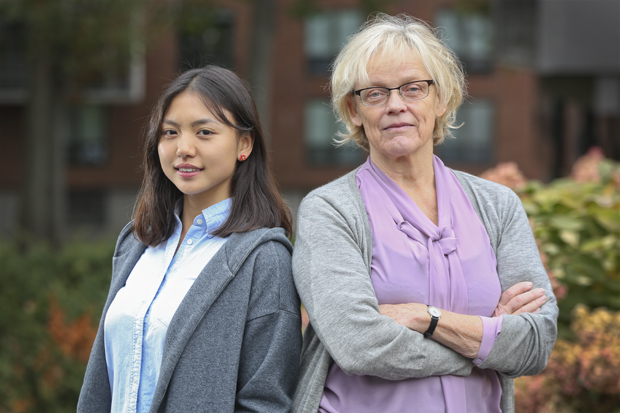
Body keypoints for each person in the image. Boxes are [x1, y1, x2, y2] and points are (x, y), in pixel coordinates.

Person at [292, 13, 558, 413]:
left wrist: (426, 318)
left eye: (413, 89)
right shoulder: (329, 210)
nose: (396, 105)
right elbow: (359, 345)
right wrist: (485, 343)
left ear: (442, 98)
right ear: (353, 110)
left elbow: (535, 343)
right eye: (375, 93)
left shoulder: (498, 205)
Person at [78, 65, 302, 412]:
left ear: (244, 144)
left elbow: (265, 400)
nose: (183, 148)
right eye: (170, 132)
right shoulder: (137, 243)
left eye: (204, 132)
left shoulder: (264, 259)